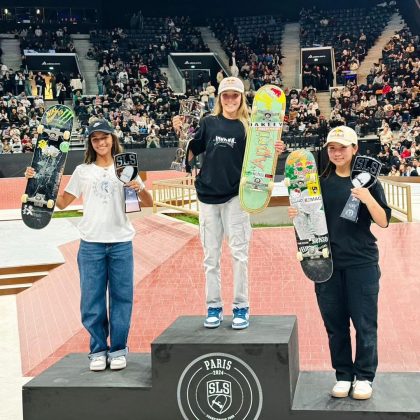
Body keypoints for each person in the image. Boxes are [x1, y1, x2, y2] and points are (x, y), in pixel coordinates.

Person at [25, 119, 153, 371]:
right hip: (91, 244)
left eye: (104, 137)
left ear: (112, 138)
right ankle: (97, 350)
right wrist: (37, 178)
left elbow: (147, 203)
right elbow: (61, 203)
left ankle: (117, 349)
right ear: (90, 143)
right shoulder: (83, 171)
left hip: (121, 243)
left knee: (121, 298)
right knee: (91, 300)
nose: (101, 142)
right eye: (95, 139)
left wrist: (139, 187)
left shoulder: (125, 166)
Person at [173, 77, 285, 330]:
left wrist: (275, 148)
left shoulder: (250, 126)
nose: (231, 100)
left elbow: (262, 156)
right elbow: (190, 152)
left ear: (242, 98)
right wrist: (181, 133)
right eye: (226, 95)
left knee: (239, 255)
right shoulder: (208, 123)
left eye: (235, 95)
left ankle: (241, 307)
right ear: (219, 98)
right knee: (210, 257)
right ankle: (213, 307)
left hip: (236, 197)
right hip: (207, 198)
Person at [288, 125, 391, 400]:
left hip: (362, 264)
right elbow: (309, 223)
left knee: (365, 323)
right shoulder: (319, 183)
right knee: (335, 325)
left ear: (355, 149)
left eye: (342, 148)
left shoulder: (369, 182)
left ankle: (365, 377)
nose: (336, 153)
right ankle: (343, 375)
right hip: (326, 264)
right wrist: (297, 213)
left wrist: (368, 198)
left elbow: (383, 221)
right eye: (332, 148)